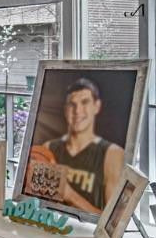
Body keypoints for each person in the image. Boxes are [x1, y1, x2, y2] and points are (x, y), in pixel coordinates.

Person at [27, 76, 124, 214]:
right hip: (53, 227)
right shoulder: (48, 148)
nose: (77, 111)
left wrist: (69, 194)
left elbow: (112, 222)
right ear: (65, 109)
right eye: (72, 104)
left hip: (86, 232)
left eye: (85, 102)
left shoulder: (112, 154)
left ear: (96, 106)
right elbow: (39, 202)